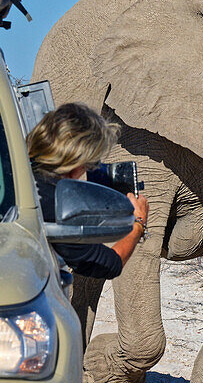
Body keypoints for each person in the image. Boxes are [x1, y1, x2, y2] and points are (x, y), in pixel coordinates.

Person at [26, 103, 148, 278]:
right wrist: (139, 223)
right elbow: (108, 264)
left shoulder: (12, 171)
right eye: (90, 164)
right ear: (75, 162)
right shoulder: (54, 202)